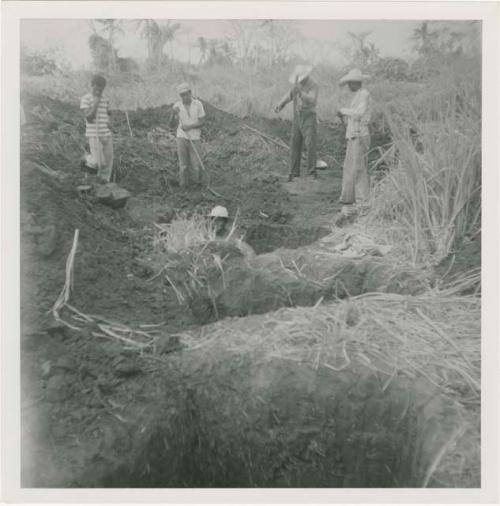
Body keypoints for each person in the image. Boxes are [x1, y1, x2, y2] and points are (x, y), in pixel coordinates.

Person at [336, 68, 372, 222]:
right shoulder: (358, 95)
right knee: (350, 168)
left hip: (359, 135)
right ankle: (350, 202)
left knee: (358, 169)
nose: (348, 86)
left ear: (356, 82)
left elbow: (359, 114)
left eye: (350, 83)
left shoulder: (364, 94)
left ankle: (363, 203)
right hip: (353, 135)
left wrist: (344, 111)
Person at [274, 64, 319, 181]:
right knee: (295, 143)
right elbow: (289, 95)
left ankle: (311, 173)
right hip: (298, 116)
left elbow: (312, 99)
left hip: (309, 116)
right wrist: (281, 104)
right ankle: (294, 172)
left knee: (310, 144)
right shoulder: (297, 84)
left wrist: (301, 93)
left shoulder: (313, 84)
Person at [170, 83, 206, 189]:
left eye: (186, 94)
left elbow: (203, 122)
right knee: (183, 165)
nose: (184, 97)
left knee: (195, 164)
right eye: (181, 95)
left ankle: (196, 187)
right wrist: (172, 114)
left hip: (195, 138)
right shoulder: (177, 106)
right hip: (181, 137)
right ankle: (183, 187)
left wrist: (190, 126)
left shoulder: (198, 104)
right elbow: (171, 125)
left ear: (190, 93)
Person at [80, 74, 113, 183]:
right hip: (94, 134)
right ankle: (89, 183)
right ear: (91, 85)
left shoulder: (106, 99)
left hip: (106, 134)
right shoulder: (85, 99)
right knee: (96, 162)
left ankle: (105, 184)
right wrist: (96, 103)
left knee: (108, 161)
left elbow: (108, 113)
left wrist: (109, 122)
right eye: (96, 87)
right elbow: (89, 118)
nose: (98, 90)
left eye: (101, 88)